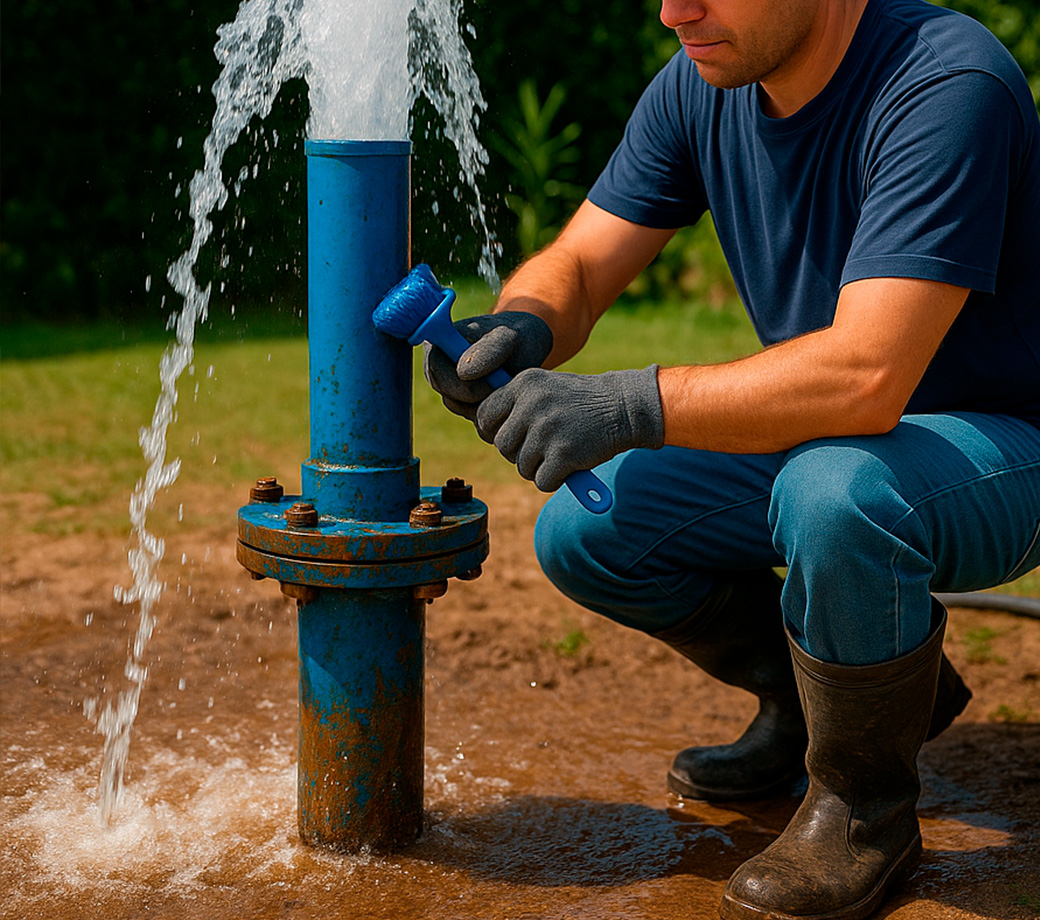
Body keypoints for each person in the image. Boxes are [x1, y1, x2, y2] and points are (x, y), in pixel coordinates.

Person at [424, 0, 1040, 917]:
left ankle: (863, 806)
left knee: (835, 492)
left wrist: (629, 404)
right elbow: (586, 265)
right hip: (830, 433)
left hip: (1000, 442)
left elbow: (869, 375)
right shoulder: (701, 82)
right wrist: (525, 323)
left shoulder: (946, 80)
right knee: (589, 530)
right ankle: (811, 709)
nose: (676, 12)